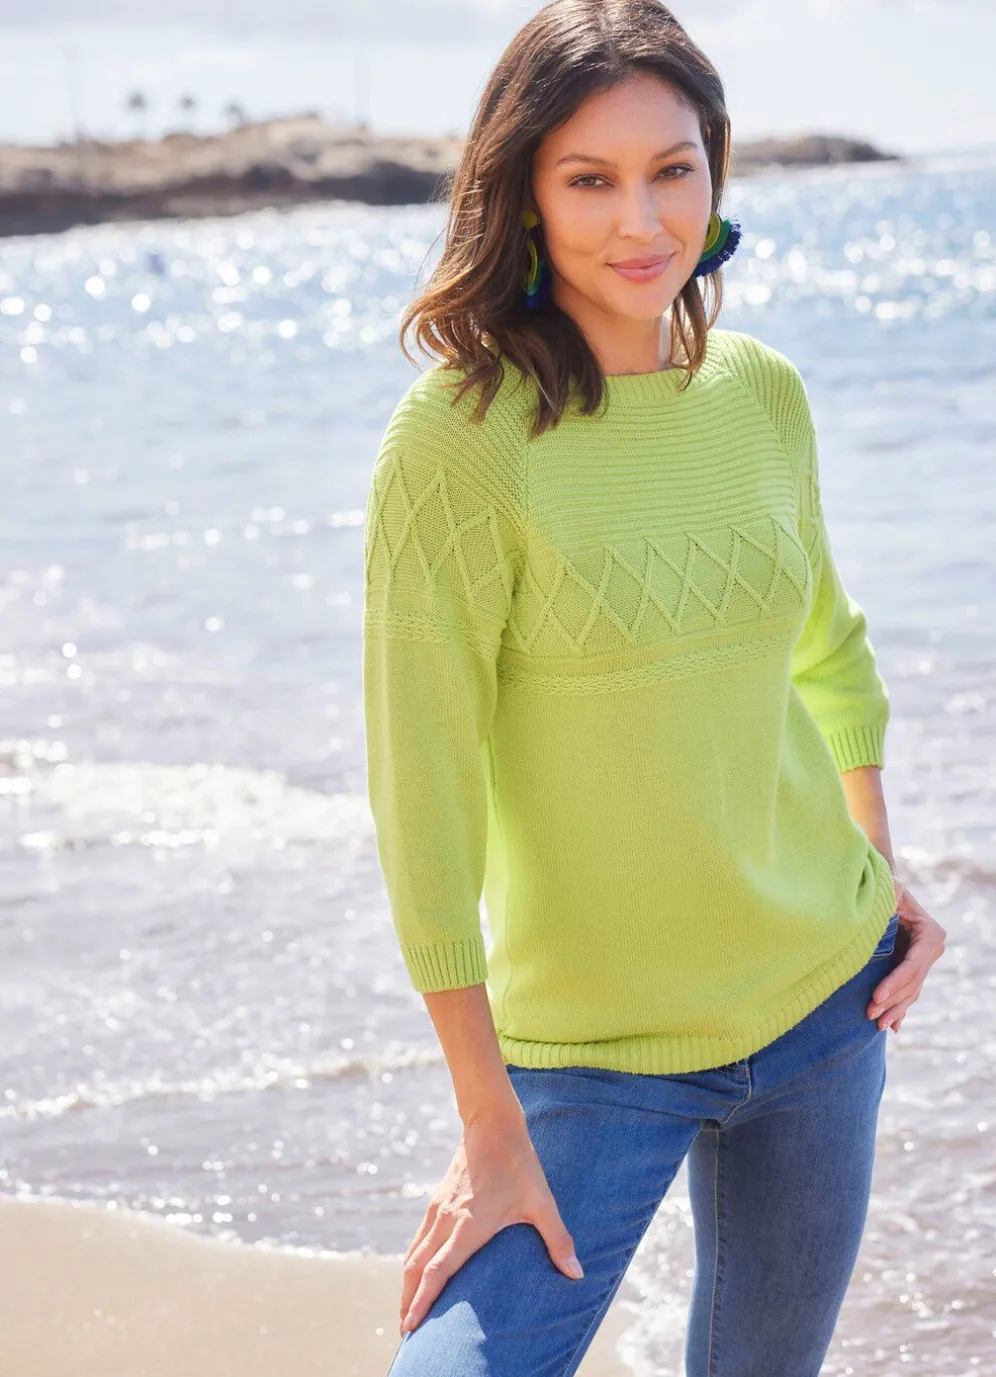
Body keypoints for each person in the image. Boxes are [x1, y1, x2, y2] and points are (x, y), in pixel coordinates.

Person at [361, 3, 947, 1373]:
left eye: (674, 169)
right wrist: (488, 1123)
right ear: (525, 192)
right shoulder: (458, 439)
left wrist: (880, 869)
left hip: (823, 1014)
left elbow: (828, 650)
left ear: (715, 169)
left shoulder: (762, 393)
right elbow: (422, 793)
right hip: (589, 1058)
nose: (644, 220)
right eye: (591, 178)